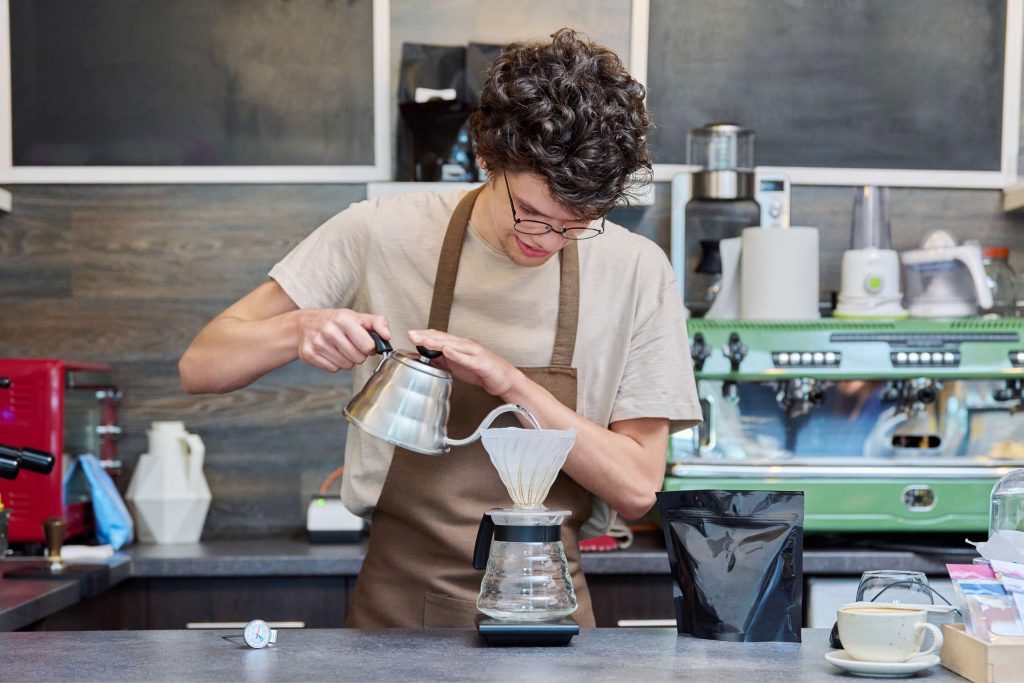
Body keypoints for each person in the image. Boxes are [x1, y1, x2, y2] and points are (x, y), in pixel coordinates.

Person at [179, 28, 701, 628]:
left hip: (550, 611)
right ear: (488, 158)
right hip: (395, 614)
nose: (545, 240)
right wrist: (299, 328)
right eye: (529, 213)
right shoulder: (379, 231)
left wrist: (510, 383)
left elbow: (637, 488)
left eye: (577, 223)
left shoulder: (636, 270)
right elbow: (201, 365)